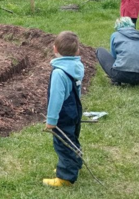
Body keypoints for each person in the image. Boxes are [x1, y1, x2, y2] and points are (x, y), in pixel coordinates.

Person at [44, 31, 84, 188]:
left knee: (63, 144)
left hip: (63, 114)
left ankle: (65, 177)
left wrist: (51, 121)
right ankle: (75, 164)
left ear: (55, 49)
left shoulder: (59, 73)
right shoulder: (76, 66)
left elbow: (56, 99)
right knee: (72, 138)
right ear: (77, 51)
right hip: (75, 108)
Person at [95, 17, 139, 86]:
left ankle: (116, 80)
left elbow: (114, 56)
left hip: (121, 75)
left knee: (100, 50)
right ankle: (135, 81)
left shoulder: (115, 35)